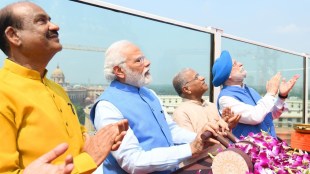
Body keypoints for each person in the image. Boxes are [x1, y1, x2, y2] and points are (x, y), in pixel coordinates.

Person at [0, 2, 128, 173]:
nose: (55, 26)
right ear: (13, 35)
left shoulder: (56, 89)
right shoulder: (3, 91)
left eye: (50, 20)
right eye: (41, 21)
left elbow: (78, 137)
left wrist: (96, 141)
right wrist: (89, 158)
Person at [90, 40, 224, 174]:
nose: (148, 62)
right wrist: (190, 149)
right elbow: (133, 161)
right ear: (119, 71)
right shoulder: (107, 106)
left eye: (144, 58)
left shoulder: (149, 94)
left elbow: (170, 131)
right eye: (139, 60)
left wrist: (201, 138)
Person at [211, 50, 299, 138]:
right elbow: (255, 116)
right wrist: (271, 93)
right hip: (247, 150)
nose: (241, 64)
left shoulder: (250, 90)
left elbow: (269, 114)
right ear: (228, 75)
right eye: (235, 64)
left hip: (267, 147)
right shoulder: (225, 99)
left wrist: (282, 96)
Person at [172, 68, 240, 133]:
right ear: (186, 89)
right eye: (196, 77)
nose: (202, 78)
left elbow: (220, 135)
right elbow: (191, 143)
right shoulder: (181, 113)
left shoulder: (211, 106)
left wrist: (227, 125)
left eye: (199, 75)